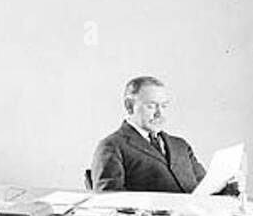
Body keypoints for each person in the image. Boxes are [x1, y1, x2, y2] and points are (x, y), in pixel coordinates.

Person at [91, 76, 236, 194]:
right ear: (129, 107)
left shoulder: (180, 145)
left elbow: (205, 188)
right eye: (151, 106)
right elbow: (109, 201)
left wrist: (229, 187)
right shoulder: (111, 146)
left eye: (164, 106)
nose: (159, 113)